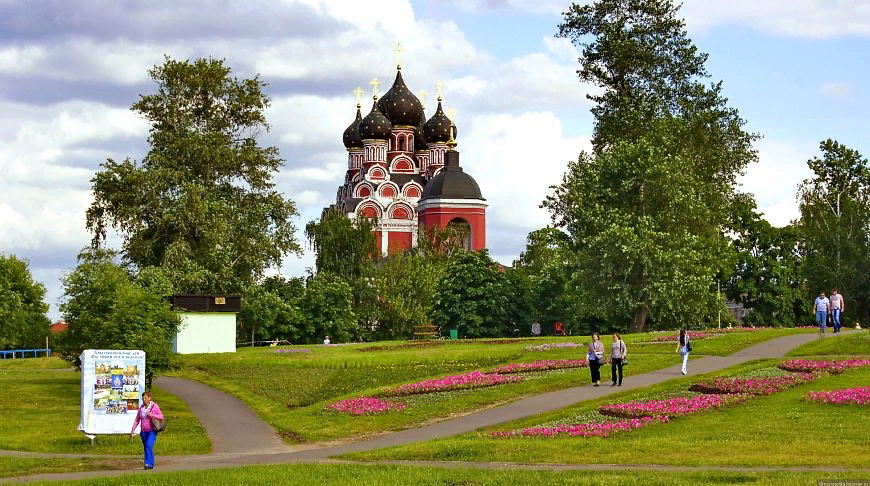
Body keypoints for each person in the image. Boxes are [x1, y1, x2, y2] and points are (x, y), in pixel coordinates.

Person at [130, 390, 163, 470]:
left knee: (149, 445)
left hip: (152, 431)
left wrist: (152, 415)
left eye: (145, 398)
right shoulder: (141, 408)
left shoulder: (154, 406)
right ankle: (151, 464)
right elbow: (137, 419)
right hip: (143, 431)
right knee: (146, 447)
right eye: (143, 398)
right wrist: (133, 429)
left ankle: (147, 463)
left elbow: (161, 416)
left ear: (149, 398)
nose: (144, 399)